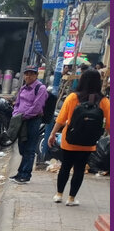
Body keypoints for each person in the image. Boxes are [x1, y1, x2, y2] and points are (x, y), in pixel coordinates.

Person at [46, 68, 109, 206]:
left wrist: (52, 134)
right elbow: (109, 124)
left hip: (69, 140)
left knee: (65, 167)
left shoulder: (73, 97)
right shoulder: (103, 101)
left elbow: (61, 119)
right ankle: (71, 198)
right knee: (79, 169)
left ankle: (58, 195)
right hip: (88, 143)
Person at [9, 66, 48, 183]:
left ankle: (25, 175)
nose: (28, 76)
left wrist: (24, 115)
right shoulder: (23, 88)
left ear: (36, 75)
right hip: (21, 120)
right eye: (26, 74)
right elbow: (17, 103)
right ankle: (20, 172)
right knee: (22, 146)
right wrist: (16, 114)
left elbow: (37, 107)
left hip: (33, 120)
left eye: (31, 74)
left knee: (30, 148)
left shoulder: (40, 89)